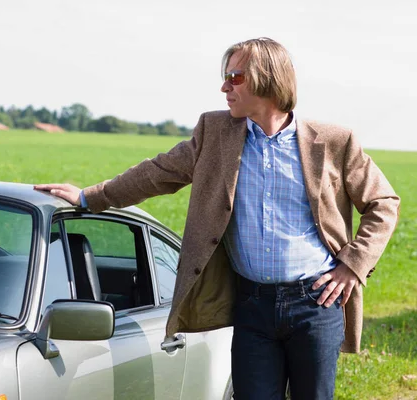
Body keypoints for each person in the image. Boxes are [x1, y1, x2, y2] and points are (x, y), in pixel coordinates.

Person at [34, 37, 400, 400]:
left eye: (235, 77)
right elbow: (158, 172)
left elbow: (383, 203)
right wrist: (88, 196)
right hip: (252, 306)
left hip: (316, 304)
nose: (224, 86)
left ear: (268, 79)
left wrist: (352, 265)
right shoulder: (214, 132)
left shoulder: (334, 141)